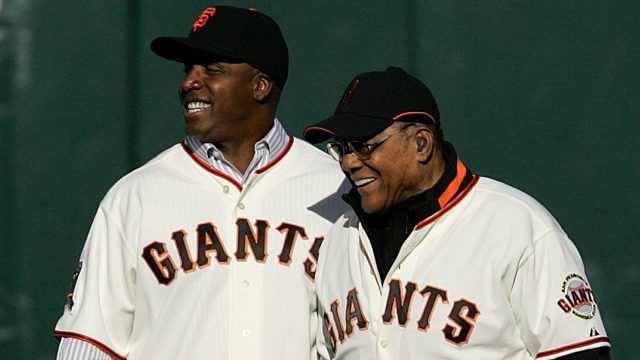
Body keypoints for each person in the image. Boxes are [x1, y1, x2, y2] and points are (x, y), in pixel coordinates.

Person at [53, 6, 349, 359]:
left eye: (211, 69)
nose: (189, 82)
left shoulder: (336, 188)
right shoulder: (136, 196)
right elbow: (89, 342)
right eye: (187, 69)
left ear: (260, 86)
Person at [303, 66, 611, 359]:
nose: (348, 162)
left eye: (363, 145)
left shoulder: (517, 227)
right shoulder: (338, 239)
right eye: (342, 148)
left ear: (421, 144)